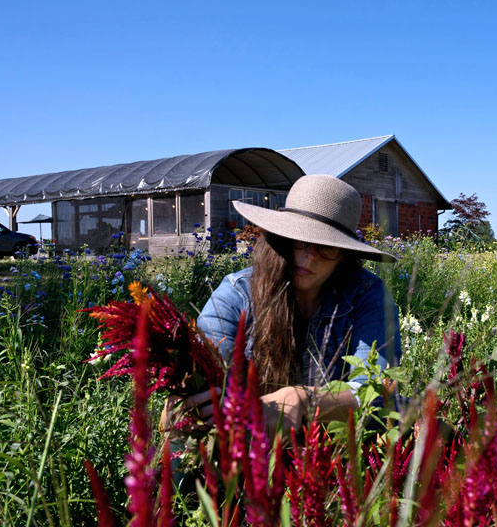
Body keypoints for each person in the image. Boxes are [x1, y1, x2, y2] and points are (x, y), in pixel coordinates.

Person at [164, 174, 401, 438]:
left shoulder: (366, 295)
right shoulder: (237, 293)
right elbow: (205, 369)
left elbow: (379, 388)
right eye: (300, 239)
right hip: (247, 443)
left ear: (343, 256)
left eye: (328, 247)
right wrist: (186, 400)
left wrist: (305, 400)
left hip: (334, 445)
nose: (310, 255)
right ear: (280, 238)